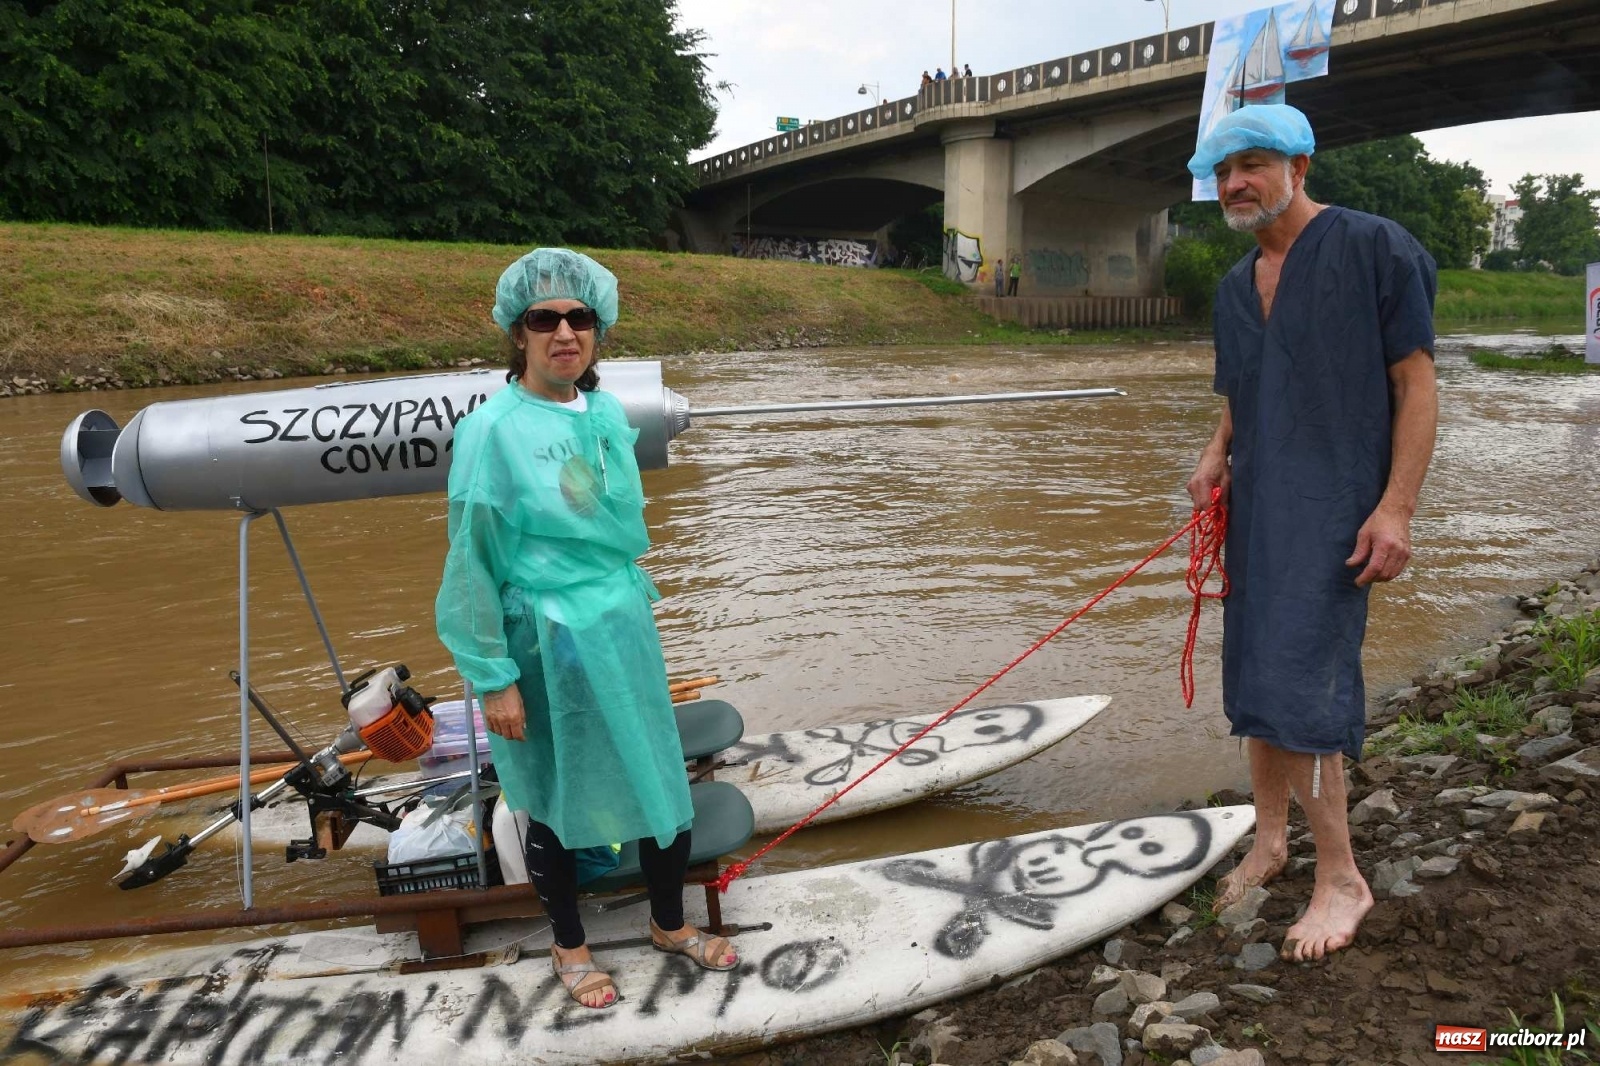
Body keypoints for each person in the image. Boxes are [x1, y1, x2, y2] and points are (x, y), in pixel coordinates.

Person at [437, 248, 737, 1010]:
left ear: (597, 331)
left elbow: (611, 528)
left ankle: (668, 925)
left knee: (658, 778)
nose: (564, 332)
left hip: (621, 627)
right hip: (546, 641)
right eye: (545, 319)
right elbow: (469, 562)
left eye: (580, 318)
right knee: (558, 797)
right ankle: (570, 949)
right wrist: (493, 677)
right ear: (518, 332)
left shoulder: (604, 414)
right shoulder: (491, 432)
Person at [1183, 105, 1438, 964]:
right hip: (1256, 508)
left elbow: (1416, 384)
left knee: (1306, 685)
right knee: (1256, 673)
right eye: (1222, 172)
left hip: (1336, 511)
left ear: (1301, 163)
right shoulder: (1232, 285)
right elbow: (1239, 393)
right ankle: (1268, 840)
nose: (1234, 184)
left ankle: (1342, 877)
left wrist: (1395, 507)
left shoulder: (1375, 246)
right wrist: (1215, 457)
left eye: (1251, 164)